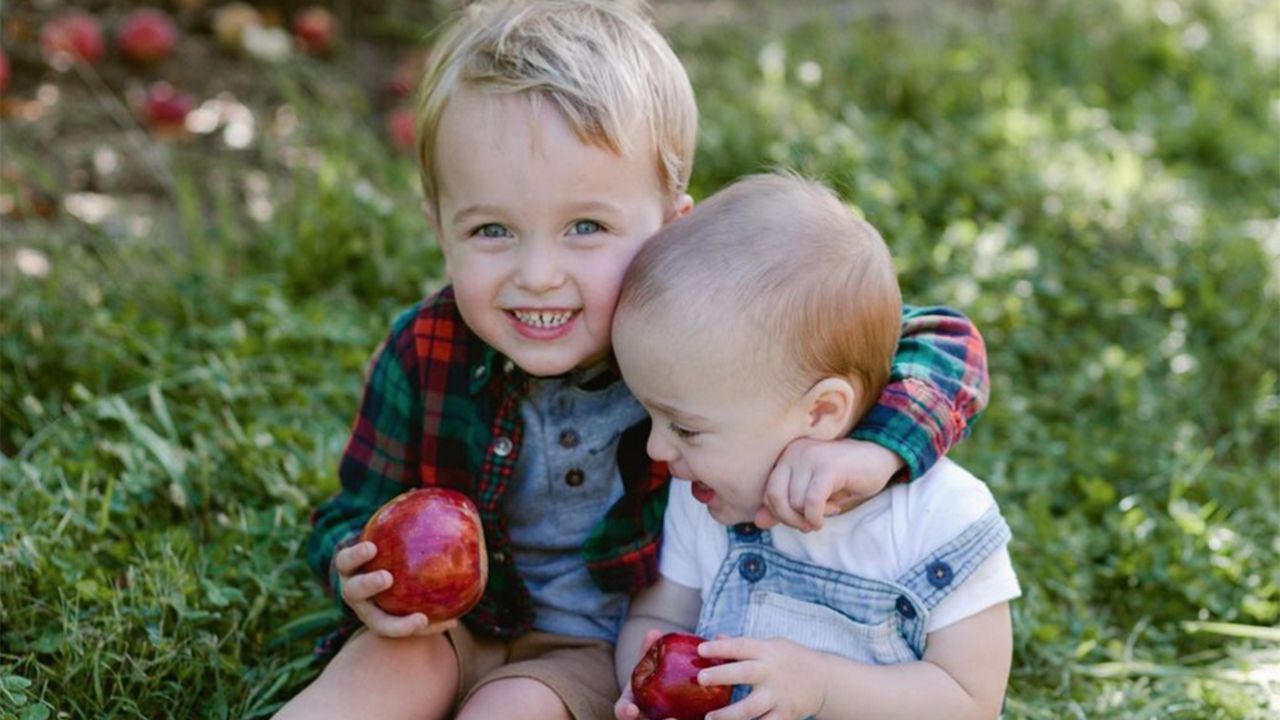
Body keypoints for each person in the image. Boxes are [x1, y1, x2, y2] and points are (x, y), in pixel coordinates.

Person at [274, 2, 991, 719]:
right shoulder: (425, 350)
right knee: (376, 678)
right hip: (444, 622)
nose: (539, 274)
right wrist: (359, 575)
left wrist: (874, 452)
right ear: (439, 228)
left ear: (668, 230)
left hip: (588, 645)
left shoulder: (690, 335)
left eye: (585, 227)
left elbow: (938, 344)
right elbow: (353, 512)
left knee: (515, 710)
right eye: (491, 230)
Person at [611, 174, 1020, 720]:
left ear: (822, 413)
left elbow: (970, 701)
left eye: (685, 428)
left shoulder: (939, 521)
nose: (658, 449)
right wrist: (641, 685)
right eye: (651, 417)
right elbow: (653, 619)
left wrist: (824, 687)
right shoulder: (703, 496)